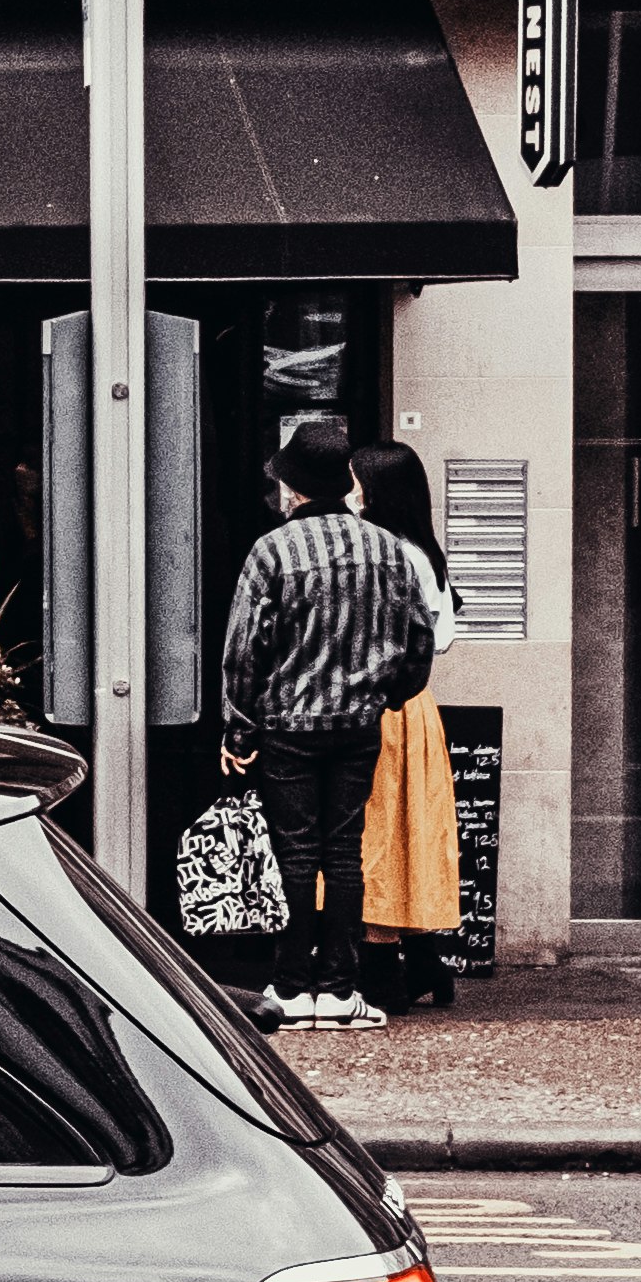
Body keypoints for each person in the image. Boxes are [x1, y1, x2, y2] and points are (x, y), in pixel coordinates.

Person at [213, 425, 443, 1033]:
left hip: (288, 723)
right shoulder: (387, 549)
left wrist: (239, 730)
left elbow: (243, 653)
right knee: (344, 853)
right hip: (358, 724)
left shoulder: (272, 552)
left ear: (295, 488)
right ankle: (339, 990)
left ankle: (291, 984)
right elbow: (419, 639)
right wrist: (390, 692)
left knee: (296, 851)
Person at [347, 439, 467, 1012]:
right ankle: (424, 962)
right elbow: (441, 636)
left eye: (354, 482)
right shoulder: (424, 551)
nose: (346, 493)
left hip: (384, 704)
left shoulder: (388, 553)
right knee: (411, 833)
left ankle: (381, 971)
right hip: (416, 706)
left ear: (376, 492)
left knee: (381, 835)